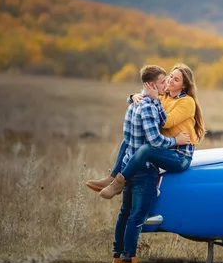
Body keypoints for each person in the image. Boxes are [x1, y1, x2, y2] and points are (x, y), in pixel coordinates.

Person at [108, 64, 190, 263]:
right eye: (164, 81)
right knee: (137, 217)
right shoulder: (147, 107)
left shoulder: (138, 103)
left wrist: (148, 97)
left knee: (124, 213)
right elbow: (154, 140)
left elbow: (162, 118)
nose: (166, 84)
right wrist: (176, 141)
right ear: (153, 84)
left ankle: (117, 259)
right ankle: (128, 261)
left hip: (129, 163)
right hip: (144, 169)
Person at [86, 63, 205, 199]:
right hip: (167, 147)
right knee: (127, 141)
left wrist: (155, 100)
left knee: (146, 149)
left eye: (176, 79)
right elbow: (146, 99)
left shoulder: (187, 102)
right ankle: (112, 177)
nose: (171, 80)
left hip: (180, 156)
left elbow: (166, 122)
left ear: (183, 86)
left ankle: (118, 183)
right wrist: (133, 97)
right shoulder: (163, 95)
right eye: (171, 76)